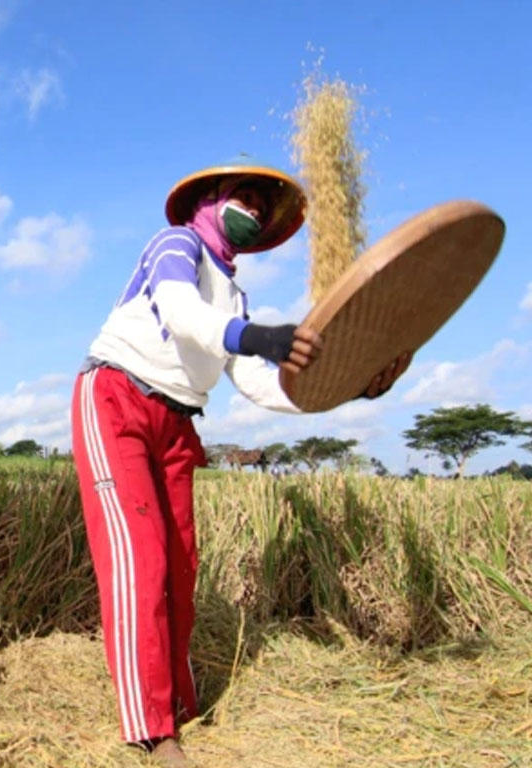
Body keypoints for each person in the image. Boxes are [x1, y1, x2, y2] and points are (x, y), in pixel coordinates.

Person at [70, 161, 411, 767]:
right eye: (244, 197)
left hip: (177, 423)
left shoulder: (234, 290)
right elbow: (179, 312)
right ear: (209, 199)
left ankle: (177, 700)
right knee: (139, 561)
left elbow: (257, 382)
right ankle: (153, 731)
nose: (254, 210)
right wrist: (257, 336)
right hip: (117, 399)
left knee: (180, 565)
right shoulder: (177, 244)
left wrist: (345, 389)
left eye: (263, 206)